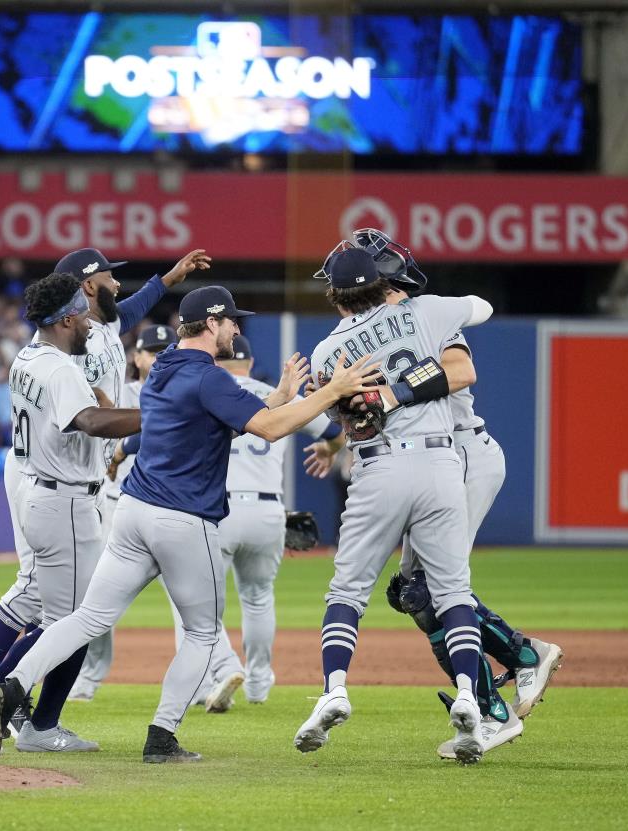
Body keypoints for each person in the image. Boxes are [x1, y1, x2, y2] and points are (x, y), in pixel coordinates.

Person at [0, 285, 377, 762]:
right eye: (229, 321)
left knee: (87, 617)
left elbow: (234, 414)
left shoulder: (163, 364)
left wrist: (284, 396)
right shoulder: (210, 378)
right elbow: (267, 428)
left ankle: (11, 685)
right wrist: (331, 391)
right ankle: (161, 737)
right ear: (210, 324)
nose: (236, 328)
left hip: (132, 510)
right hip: (184, 519)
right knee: (203, 633)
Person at [316, 229, 563, 758]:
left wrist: (389, 393)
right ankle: (512, 669)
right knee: (417, 594)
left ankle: (510, 680)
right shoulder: (401, 321)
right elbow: (362, 405)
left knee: (424, 592)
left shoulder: (424, 313)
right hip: (434, 456)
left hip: (461, 451)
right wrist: (336, 433)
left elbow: (460, 370)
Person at [0, 247, 209, 714]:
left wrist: (166, 280)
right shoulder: (70, 352)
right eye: (109, 278)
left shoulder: (87, 326)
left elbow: (125, 312)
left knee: (38, 592)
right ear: (84, 291)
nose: (116, 286)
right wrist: (156, 415)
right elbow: (91, 415)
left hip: (56, 471)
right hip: (55, 473)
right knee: (65, 611)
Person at [293, 245, 495, 764]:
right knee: (454, 592)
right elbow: (483, 306)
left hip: (379, 466)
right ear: (384, 281)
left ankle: (335, 688)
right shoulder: (426, 310)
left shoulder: (325, 352)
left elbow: (346, 423)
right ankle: (471, 695)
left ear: (336, 294)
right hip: (440, 463)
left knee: (348, 590)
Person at [0, 273, 141, 755]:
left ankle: (18, 715)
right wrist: (161, 413)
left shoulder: (29, 356)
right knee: (74, 623)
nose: (91, 321)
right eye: (84, 314)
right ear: (67, 317)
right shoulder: (59, 369)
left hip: (44, 493)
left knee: (44, 604)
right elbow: (89, 422)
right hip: (64, 499)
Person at [175, 336, 343, 713]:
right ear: (249, 363)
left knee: (201, 605)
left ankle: (213, 676)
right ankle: (258, 685)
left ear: (216, 364)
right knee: (257, 598)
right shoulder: (275, 394)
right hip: (269, 512)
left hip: (218, 510)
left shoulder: (210, 394)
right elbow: (335, 432)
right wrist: (328, 450)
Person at [69, 323, 176, 701]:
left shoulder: (181, 390)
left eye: (168, 350)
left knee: (188, 596)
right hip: (114, 507)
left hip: (165, 505)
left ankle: (215, 674)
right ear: (138, 357)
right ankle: (90, 676)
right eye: (154, 350)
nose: (161, 356)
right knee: (94, 594)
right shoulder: (120, 391)